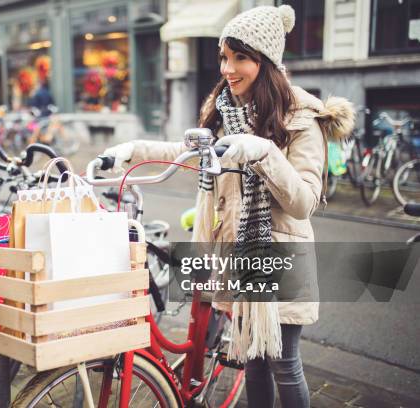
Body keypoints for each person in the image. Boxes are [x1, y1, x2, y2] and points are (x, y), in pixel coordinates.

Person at [103, 5, 355, 408]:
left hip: (279, 254)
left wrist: (264, 152)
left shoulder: (302, 120)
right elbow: (183, 151)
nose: (227, 67)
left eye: (240, 57)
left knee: (283, 363)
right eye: (224, 56)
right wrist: (132, 151)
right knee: (251, 360)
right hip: (238, 254)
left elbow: (303, 202)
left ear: (266, 61)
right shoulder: (226, 111)